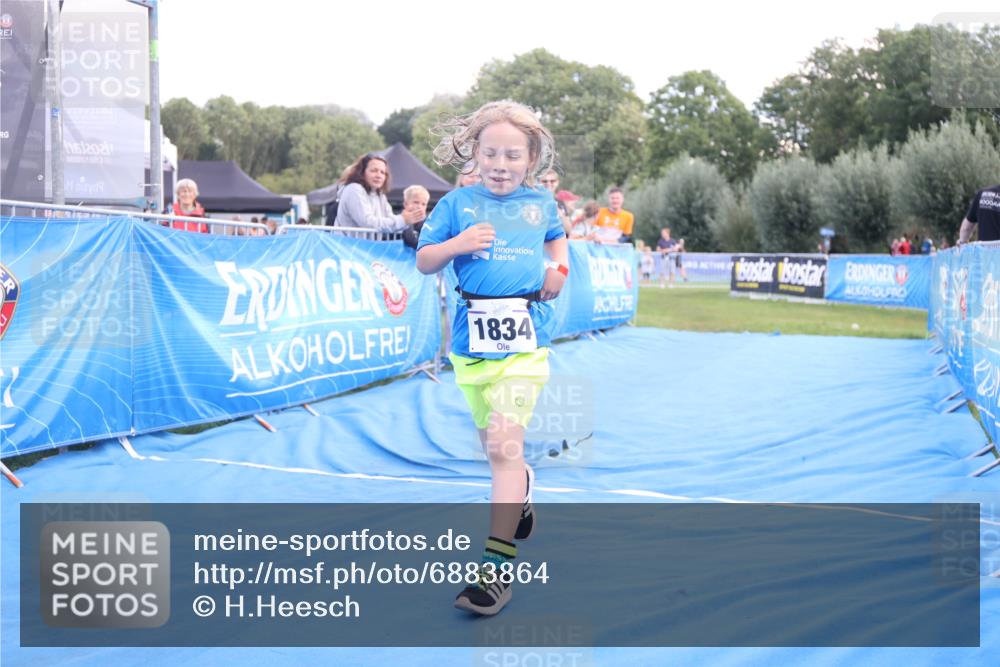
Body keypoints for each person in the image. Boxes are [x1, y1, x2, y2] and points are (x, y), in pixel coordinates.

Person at [416, 100, 568, 616]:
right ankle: (521, 489)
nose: (500, 164)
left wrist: (559, 274)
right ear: (474, 153)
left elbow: (558, 247)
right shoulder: (456, 205)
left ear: (531, 159)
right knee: (497, 450)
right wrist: (458, 243)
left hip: (526, 342)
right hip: (471, 344)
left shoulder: (541, 206)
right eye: (490, 153)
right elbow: (423, 261)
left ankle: (496, 568)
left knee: (504, 445)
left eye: (512, 155)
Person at [333, 153, 425, 232]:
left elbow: (390, 221)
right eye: (374, 171)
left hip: (367, 249)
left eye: (383, 172)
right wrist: (403, 220)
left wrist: (410, 220)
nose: (379, 175)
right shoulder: (353, 189)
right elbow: (367, 222)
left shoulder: (380, 195)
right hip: (348, 248)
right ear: (362, 172)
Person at [401, 185, 431, 250]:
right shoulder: (402, 220)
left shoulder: (425, 222)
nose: (419, 207)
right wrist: (425, 248)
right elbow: (409, 239)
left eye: (423, 204)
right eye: (416, 202)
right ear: (406, 204)